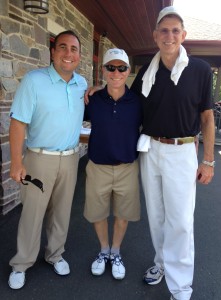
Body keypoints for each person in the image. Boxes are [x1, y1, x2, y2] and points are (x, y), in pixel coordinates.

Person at [131, 6, 215, 300]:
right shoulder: (146, 72)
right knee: (156, 216)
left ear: (184, 35)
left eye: (175, 30)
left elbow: (207, 117)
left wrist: (208, 160)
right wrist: (99, 91)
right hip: (151, 150)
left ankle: (180, 288)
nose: (169, 36)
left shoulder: (201, 70)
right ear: (155, 36)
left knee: (179, 220)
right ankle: (162, 263)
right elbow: (131, 105)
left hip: (182, 152)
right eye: (164, 30)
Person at [8, 30, 87, 289]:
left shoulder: (82, 84)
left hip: (71, 158)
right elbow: (18, 123)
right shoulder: (34, 81)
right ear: (53, 52)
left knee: (62, 211)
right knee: (32, 213)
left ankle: (54, 254)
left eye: (74, 49)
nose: (68, 53)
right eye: (62, 47)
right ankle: (21, 264)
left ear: (79, 55)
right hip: (39, 159)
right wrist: (17, 163)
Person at [84, 49, 142, 280]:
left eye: (121, 68)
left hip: (127, 167)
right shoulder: (92, 99)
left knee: (123, 214)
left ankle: (116, 252)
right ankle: (104, 250)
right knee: (98, 213)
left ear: (128, 71)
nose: (116, 72)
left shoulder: (138, 102)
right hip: (98, 166)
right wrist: (94, 89)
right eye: (110, 67)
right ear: (103, 70)